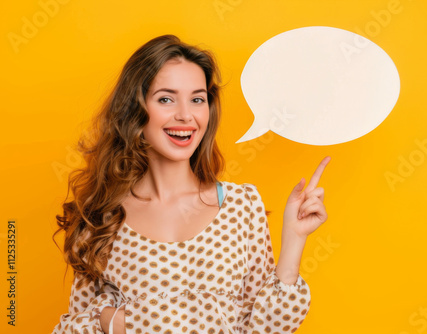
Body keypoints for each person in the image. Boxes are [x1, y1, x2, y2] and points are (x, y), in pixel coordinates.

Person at [51, 34, 331, 334]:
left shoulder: (242, 204)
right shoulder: (101, 216)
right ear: (135, 109)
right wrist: (107, 321)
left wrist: (294, 240)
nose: (185, 115)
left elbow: (265, 328)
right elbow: (73, 327)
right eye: (166, 99)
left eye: (197, 99)